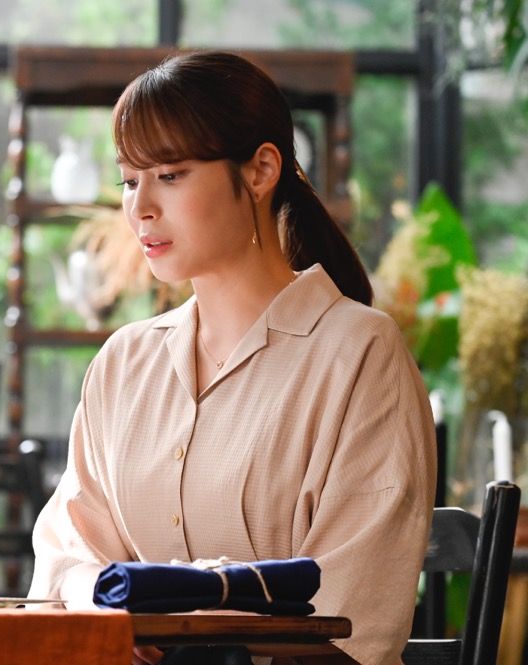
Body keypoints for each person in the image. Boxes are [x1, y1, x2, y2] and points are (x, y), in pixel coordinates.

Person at [27, 50, 436, 665]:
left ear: (261, 169)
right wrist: (102, 598)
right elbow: (65, 556)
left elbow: (348, 623)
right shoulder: (122, 363)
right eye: (130, 180)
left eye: (170, 175)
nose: (140, 207)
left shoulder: (360, 355)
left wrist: (154, 614)